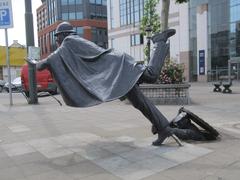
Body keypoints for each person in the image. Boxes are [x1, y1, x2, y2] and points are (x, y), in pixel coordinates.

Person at [28, 21, 182, 146]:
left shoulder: (69, 41)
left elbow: (49, 60)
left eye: (57, 37)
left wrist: (34, 62)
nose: (57, 40)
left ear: (64, 35)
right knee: (139, 101)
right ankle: (163, 128)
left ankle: (160, 41)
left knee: (151, 75)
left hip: (119, 67)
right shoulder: (73, 44)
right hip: (116, 70)